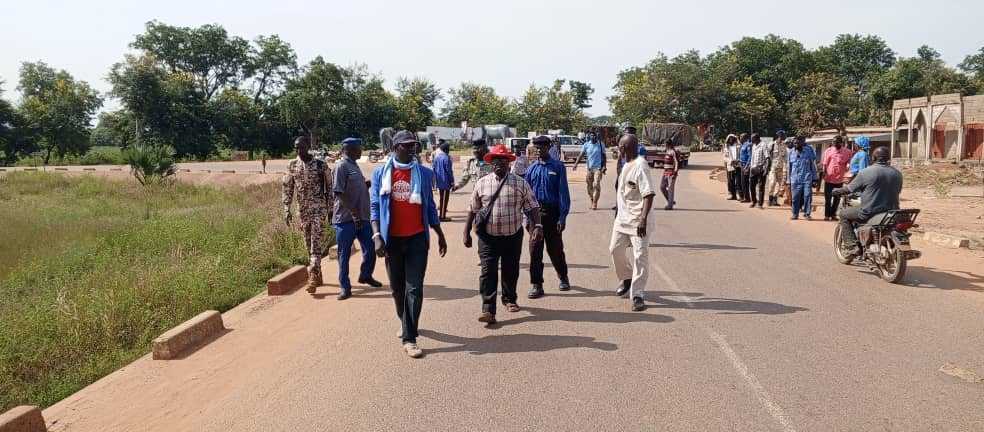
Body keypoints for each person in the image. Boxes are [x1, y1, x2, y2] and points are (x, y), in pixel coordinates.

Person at [370, 130, 448, 359]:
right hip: (392, 240)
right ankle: (406, 321)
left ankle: (409, 337)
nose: (412, 148)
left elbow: (430, 206)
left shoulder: (424, 173)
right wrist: (376, 236)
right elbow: (375, 206)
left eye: (414, 144)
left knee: (415, 288)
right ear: (395, 148)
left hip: (416, 239)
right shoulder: (380, 174)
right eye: (406, 145)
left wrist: (439, 232)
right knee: (397, 289)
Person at [463, 144, 542, 325]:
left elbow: (533, 206)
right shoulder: (482, 183)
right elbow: (472, 209)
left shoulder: (520, 183)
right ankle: (488, 309)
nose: (499, 164)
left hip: (512, 235)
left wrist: (537, 225)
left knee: (510, 269)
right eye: (496, 161)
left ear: (509, 163)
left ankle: (509, 299)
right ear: (491, 163)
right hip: (488, 237)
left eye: (503, 161)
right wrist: (466, 232)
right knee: (487, 272)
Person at [282, 136, 334, 293]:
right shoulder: (292, 165)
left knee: (315, 244)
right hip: (303, 211)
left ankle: (312, 275)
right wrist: (286, 209)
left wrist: (330, 209)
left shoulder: (320, 165)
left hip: (318, 210)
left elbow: (330, 189)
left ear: (308, 146)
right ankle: (318, 274)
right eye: (296, 148)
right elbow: (287, 188)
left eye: (301, 147)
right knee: (308, 244)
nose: (299, 150)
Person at [331, 138, 381, 300]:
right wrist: (353, 214)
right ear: (350, 149)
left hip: (363, 217)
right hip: (346, 219)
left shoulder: (354, 165)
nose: (361, 151)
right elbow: (338, 192)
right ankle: (345, 287)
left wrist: (365, 185)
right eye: (359, 149)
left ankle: (365, 275)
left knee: (371, 247)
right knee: (344, 254)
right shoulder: (341, 166)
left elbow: (351, 187)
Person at [611, 134, 655, 312]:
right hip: (622, 219)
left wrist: (643, 220)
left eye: (619, 147)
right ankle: (627, 277)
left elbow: (649, 194)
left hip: (638, 220)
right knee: (615, 249)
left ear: (624, 148)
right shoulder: (625, 163)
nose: (618, 150)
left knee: (640, 256)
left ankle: (637, 294)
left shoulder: (640, 166)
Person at [525, 135, 572, 299]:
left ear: (548, 148)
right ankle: (537, 284)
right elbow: (526, 195)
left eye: (542, 147)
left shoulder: (558, 167)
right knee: (534, 251)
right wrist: (527, 218)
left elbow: (563, 193)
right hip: (535, 215)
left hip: (552, 214)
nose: (538, 150)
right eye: (536, 147)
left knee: (555, 249)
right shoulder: (531, 169)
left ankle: (563, 276)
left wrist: (562, 217)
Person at [832, 146, 902, 254]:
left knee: (843, 214)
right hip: (891, 212)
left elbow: (849, 189)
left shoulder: (866, 172)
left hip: (870, 211)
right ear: (888, 158)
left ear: (873, 158)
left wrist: (837, 190)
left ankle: (851, 246)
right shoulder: (897, 174)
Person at [820, 135, 854, 221]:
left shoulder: (847, 152)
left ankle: (833, 214)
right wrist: (824, 173)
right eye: (833, 142)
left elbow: (849, 164)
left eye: (836, 142)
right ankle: (827, 215)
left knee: (837, 198)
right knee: (828, 198)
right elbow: (824, 164)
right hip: (829, 178)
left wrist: (848, 172)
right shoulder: (828, 151)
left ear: (841, 143)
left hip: (839, 179)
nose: (834, 144)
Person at [572, 132, 608, 210]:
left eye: (594, 135)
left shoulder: (601, 144)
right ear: (589, 136)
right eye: (591, 135)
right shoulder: (586, 145)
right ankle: (592, 199)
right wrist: (575, 164)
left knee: (596, 184)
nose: (593, 136)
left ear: (597, 136)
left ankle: (595, 203)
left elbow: (604, 156)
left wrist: (604, 166)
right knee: (589, 186)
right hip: (589, 169)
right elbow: (581, 155)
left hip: (598, 168)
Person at [787, 136, 819, 220]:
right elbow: (789, 168)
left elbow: (812, 165)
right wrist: (788, 181)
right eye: (794, 143)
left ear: (802, 143)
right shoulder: (791, 153)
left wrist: (815, 178)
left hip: (807, 178)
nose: (795, 144)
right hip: (795, 179)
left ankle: (807, 214)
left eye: (797, 143)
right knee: (795, 198)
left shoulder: (808, 151)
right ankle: (795, 214)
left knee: (808, 196)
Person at [432, 139, 454, 221]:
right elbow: (449, 171)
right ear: (446, 149)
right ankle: (442, 216)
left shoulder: (437, 157)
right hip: (445, 182)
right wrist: (452, 181)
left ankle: (442, 215)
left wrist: (434, 181)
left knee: (442, 199)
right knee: (444, 199)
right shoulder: (446, 158)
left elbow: (433, 168)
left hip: (439, 181)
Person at [766, 130, 787, 206]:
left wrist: (785, 168)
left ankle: (775, 200)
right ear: (779, 136)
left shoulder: (784, 145)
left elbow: (785, 157)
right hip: (773, 168)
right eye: (783, 136)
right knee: (772, 183)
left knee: (779, 185)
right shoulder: (771, 144)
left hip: (781, 168)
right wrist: (766, 167)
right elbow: (767, 156)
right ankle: (770, 199)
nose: (785, 137)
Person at [748, 134, 770, 209]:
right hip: (753, 168)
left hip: (761, 168)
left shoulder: (763, 145)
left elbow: (767, 158)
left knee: (761, 187)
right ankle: (754, 201)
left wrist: (766, 169)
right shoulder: (754, 145)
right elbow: (752, 157)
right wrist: (750, 167)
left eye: (752, 138)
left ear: (756, 138)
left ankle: (760, 204)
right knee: (751, 186)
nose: (751, 140)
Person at [660, 138, 679, 210]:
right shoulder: (667, 151)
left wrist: (675, 171)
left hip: (671, 172)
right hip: (665, 172)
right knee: (662, 187)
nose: (665, 145)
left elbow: (676, 162)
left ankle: (670, 206)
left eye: (665, 144)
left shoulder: (673, 152)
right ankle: (671, 201)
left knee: (670, 189)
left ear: (668, 144)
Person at [722, 134, 740, 200]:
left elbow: (740, 155)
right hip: (729, 166)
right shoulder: (726, 148)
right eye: (729, 139)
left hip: (738, 166)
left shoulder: (738, 146)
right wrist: (730, 161)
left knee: (738, 181)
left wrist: (736, 161)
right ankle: (733, 195)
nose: (731, 140)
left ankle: (739, 195)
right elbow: (724, 157)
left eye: (732, 138)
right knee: (730, 181)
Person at [738, 133, 752, 202]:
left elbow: (750, 156)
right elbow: (741, 155)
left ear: (745, 138)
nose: (740, 138)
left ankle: (747, 198)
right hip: (742, 165)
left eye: (741, 137)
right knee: (743, 182)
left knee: (745, 182)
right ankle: (745, 197)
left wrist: (747, 167)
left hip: (746, 166)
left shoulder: (748, 145)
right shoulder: (742, 145)